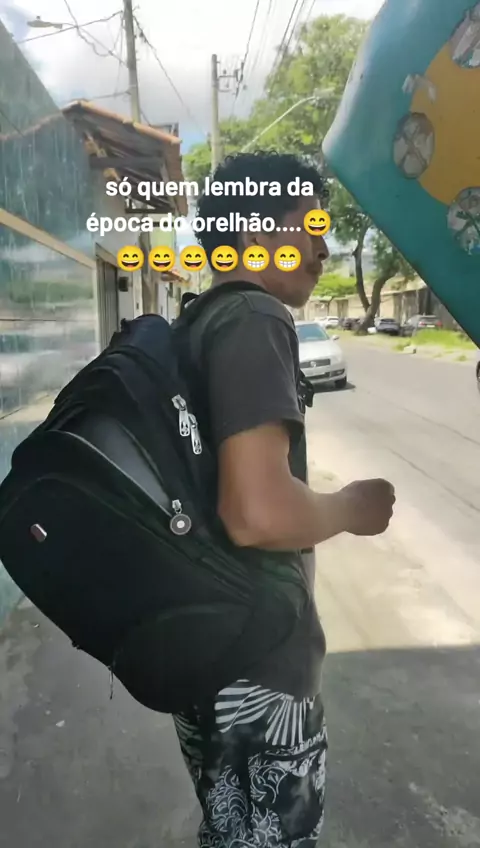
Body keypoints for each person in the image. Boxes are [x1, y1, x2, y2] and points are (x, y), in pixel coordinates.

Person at [173, 152, 395, 847]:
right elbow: (257, 512)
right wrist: (351, 508)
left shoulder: (199, 320)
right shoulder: (254, 316)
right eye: (311, 226)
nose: (325, 248)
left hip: (208, 649)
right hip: (258, 661)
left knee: (233, 833)